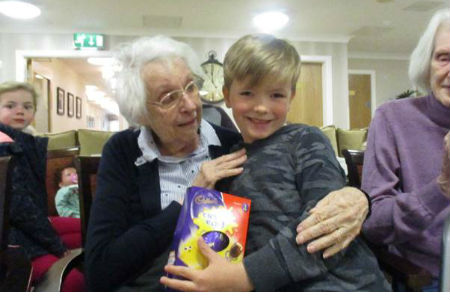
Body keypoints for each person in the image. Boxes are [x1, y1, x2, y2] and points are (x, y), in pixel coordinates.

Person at [85, 35, 371, 292]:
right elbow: (101, 269)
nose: (189, 105)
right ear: (141, 113)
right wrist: (188, 200)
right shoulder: (123, 152)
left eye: (190, 87)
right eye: (169, 98)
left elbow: (318, 204)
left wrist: (360, 195)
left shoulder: (235, 147)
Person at [160, 34, 390, 292]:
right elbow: (221, 239)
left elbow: (328, 225)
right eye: (248, 93)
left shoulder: (306, 140)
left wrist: (245, 276)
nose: (261, 107)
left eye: (276, 95)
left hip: (345, 284)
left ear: (291, 96)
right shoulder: (226, 162)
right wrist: (190, 259)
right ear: (227, 95)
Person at [361, 8, 450, 291]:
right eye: (444, 58)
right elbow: (374, 225)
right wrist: (441, 189)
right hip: (429, 277)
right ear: (427, 64)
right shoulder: (393, 119)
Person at [0, 81, 84, 291]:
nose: (20, 110)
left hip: (24, 223)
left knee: (89, 228)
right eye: (10, 106)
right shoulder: (4, 144)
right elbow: (19, 208)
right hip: (10, 235)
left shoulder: (23, 140)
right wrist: (56, 246)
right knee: (73, 280)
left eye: (27, 106)